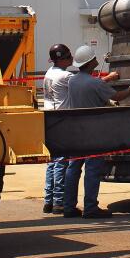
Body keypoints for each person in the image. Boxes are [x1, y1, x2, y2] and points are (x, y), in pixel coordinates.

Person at [63, 45, 130, 219]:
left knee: (73, 168)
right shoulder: (95, 83)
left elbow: (90, 97)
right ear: (91, 62)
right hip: (93, 132)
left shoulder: (73, 81)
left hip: (75, 131)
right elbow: (117, 96)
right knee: (92, 170)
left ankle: (68, 206)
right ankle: (90, 208)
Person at [43, 43, 74, 213]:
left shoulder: (49, 73)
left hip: (50, 118)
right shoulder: (65, 76)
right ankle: (58, 202)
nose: (71, 59)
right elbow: (85, 84)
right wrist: (109, 78)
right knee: (62, 162)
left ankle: (48, 200)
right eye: (69, 57)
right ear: (62, 59)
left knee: (52, 162)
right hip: (62, 120)